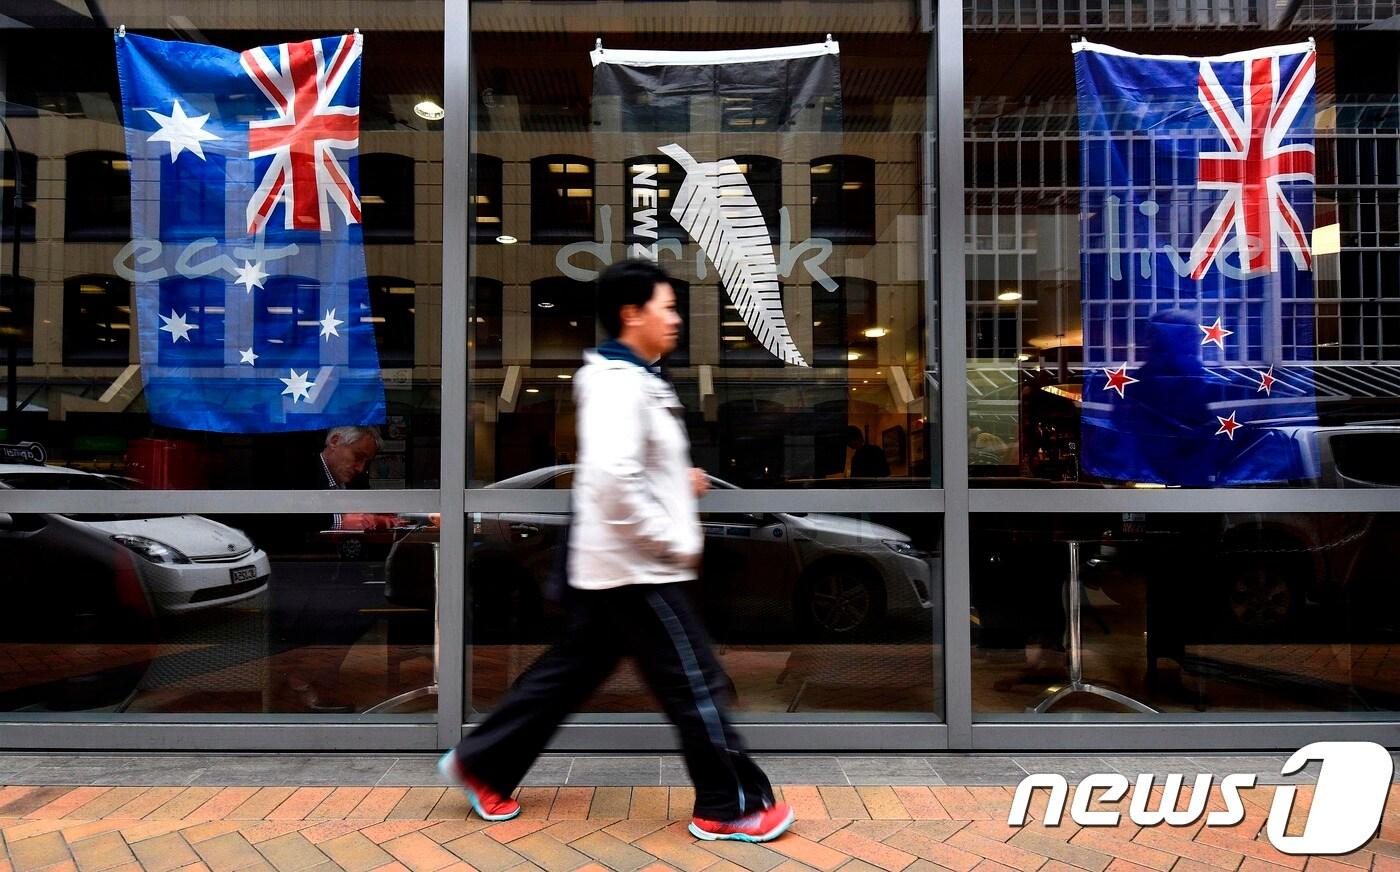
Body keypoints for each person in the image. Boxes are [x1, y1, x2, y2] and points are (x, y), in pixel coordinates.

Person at [438, 259, 794, 843]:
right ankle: (729, 806)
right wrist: (670, 538)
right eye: (666, 307)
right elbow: (612, 482)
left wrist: (678, 481)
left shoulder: (635, 378)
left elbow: (631, 471)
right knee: (696, 682)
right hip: (637, 568)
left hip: (613, 564)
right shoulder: (618, 384)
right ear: (632, 313)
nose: (675, 318)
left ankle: (484, 763)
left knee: (569, 674)